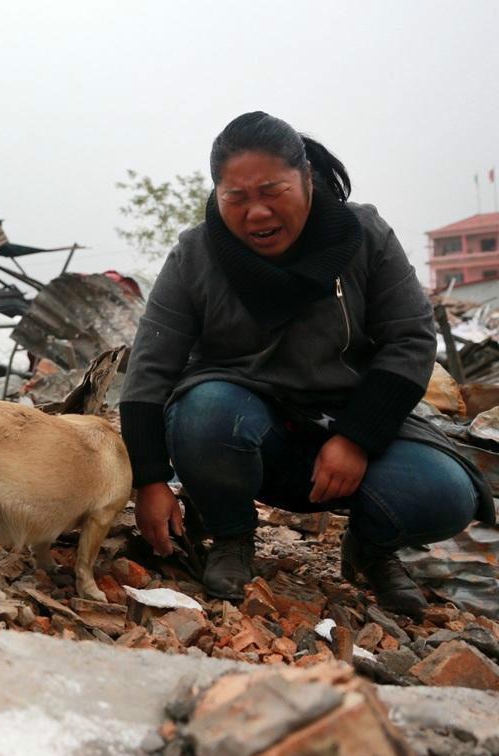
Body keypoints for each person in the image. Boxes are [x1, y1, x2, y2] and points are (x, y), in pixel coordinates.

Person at [119, 112, 493, 617]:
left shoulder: (363, 234)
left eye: (273, 190)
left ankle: (371, 548)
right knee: (205, 408)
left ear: (306, 179)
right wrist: (150, 480)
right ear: (218, 194)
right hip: (243, 433)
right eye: (237, 197)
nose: (256, 213)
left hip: (349, 427)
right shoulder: (197, 253)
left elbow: (410, 339)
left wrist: (358, 437)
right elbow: (150, 367)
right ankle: (230, 535)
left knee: (446, 495)